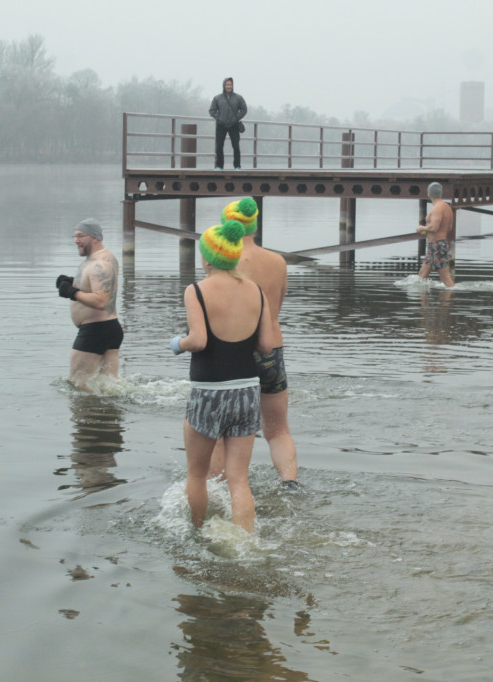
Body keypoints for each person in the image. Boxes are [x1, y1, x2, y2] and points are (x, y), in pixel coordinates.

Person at [170, 219, 274, 533]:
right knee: (239, 480)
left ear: (207, 257)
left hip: (209, 391)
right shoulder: (255, 290)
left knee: (197, 475)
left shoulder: (196, 291)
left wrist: (177, 343)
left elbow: (198, 340)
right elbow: (268, 345)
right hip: (247, 390)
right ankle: (245, 544)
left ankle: (197, 533)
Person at [208, 198, 300, 490]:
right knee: (278, 430)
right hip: (272, 349)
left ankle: (217, 488)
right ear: (254, 226)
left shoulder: (224, 261)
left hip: (233, 352)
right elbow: (277, 308)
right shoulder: (278, 261)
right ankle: (290, 483)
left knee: (220, 431)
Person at [56, 219, 123, 385]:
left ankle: (87, 411)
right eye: (75, 236)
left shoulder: (100, 263)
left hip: (96, 331)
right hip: (107, 329)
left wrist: (72, 292)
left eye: (80, 236)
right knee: (109, 387)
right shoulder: (102, 259)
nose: (76, 240)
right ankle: (109, 411)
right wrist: (74, 283)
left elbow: (101, 300)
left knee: (78, 385)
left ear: (95, 237)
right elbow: (99, 286)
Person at [417, 182, 456, 287]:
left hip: (437, 246)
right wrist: (426, 231)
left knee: (447, 281)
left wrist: (422, 228)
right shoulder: (446, 207)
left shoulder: (437, 208)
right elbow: (448, 228)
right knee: (422, 276)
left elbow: (434, 227)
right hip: (434, 246)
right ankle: (422, 303)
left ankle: (449, 301)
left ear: (429, 193)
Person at [208, 77, 247, 171]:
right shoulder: (217, 98)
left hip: (234, 125)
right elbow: (212, 110)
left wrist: (237, 118)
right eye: (227, 84)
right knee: (219, 146)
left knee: (236, 146)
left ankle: (237, 166)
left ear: (232, 86)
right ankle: (219, 166)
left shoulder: (238, 97)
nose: (228, 86)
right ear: (224, 86)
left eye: (230, 84)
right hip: (221, 125)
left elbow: (244, 109)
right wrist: (219, 118)